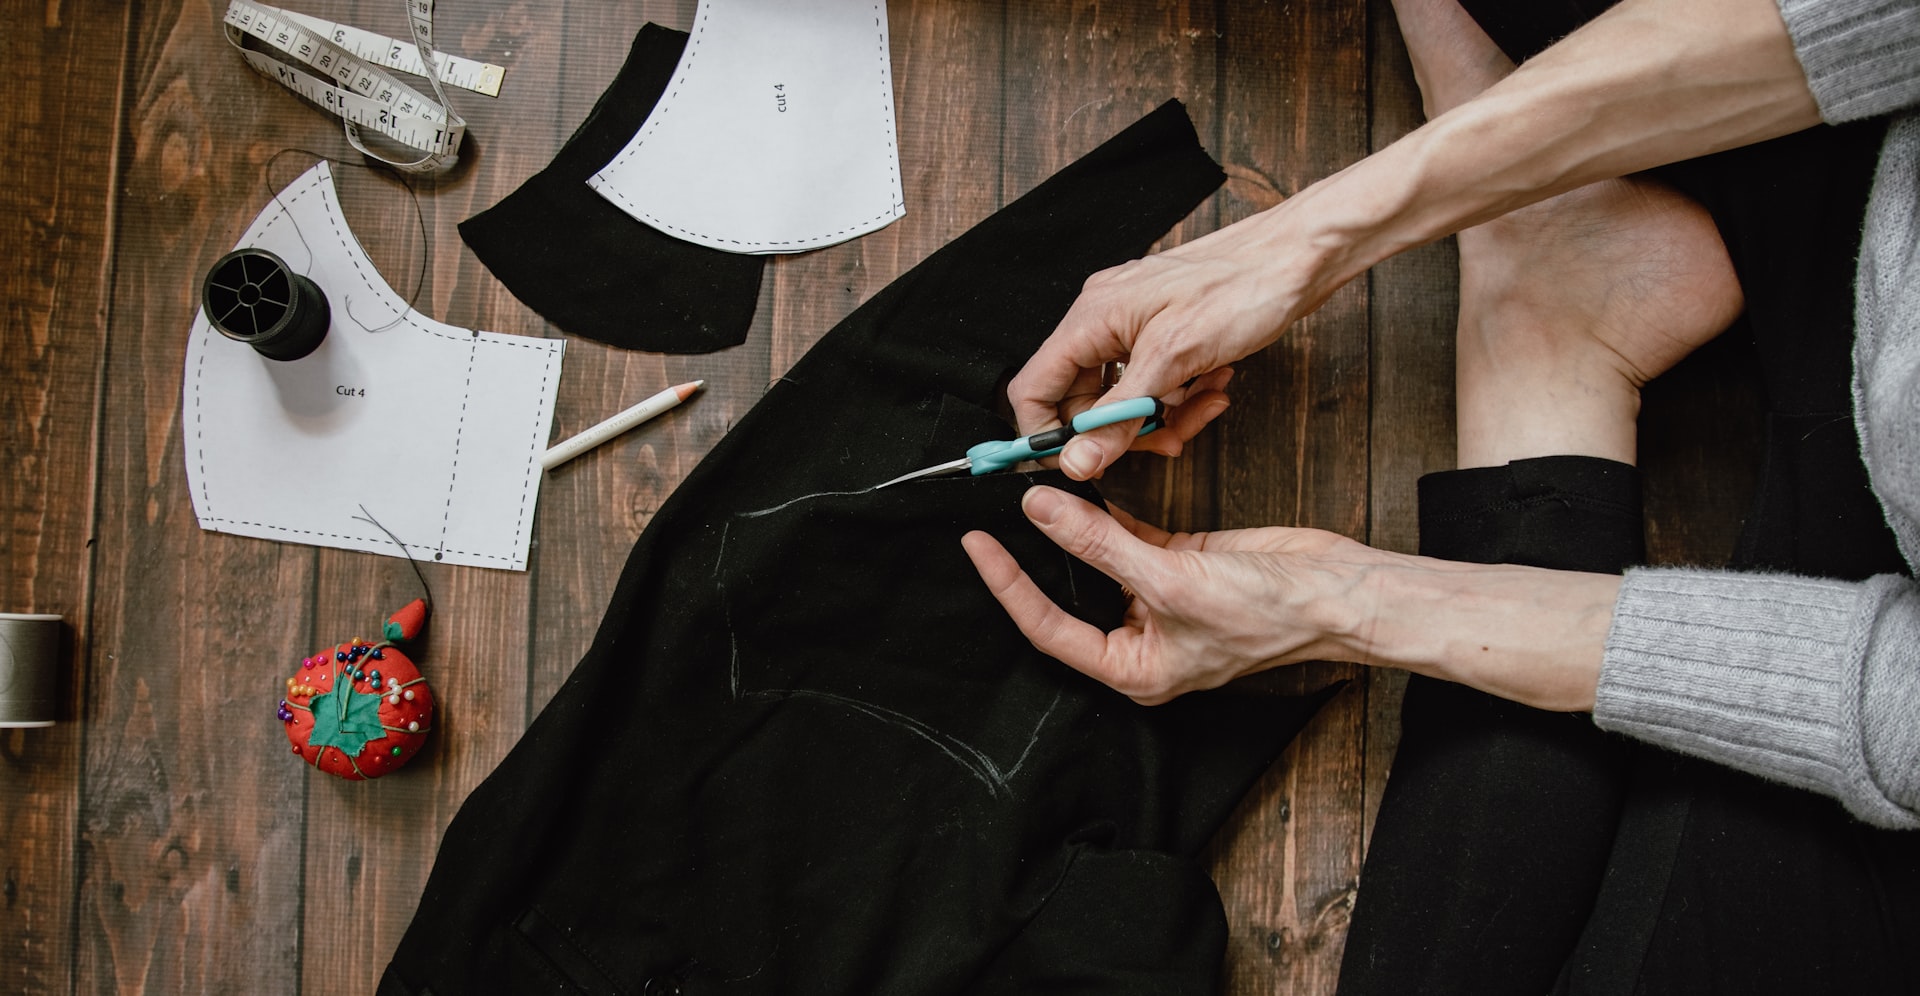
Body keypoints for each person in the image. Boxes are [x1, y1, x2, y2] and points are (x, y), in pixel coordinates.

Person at [962, 0, 1919, 988]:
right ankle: (1534, 244)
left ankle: (1545, 319)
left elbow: (1894, 700)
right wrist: (1307, 238)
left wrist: (1353, 602)